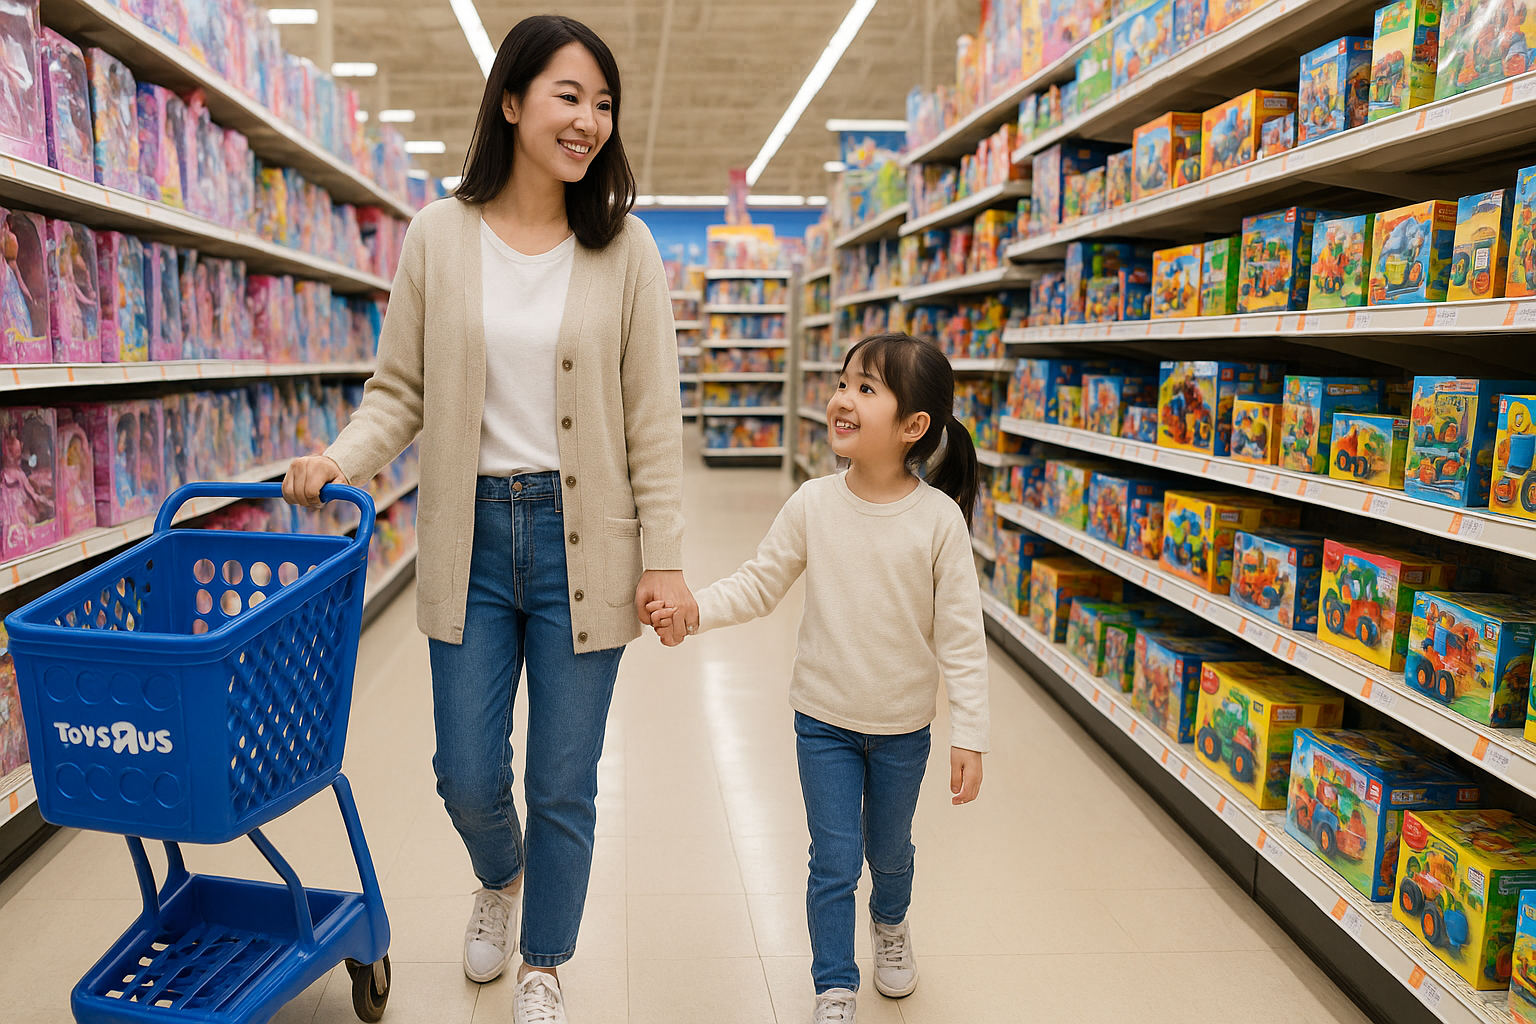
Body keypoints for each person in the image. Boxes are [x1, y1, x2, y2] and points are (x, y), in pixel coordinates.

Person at [281, 15, 697, 1024]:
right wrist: (338, 455)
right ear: (510, 101)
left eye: (603, 104)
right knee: (465, 772)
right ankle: (498, 876)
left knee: (564, 778)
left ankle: (545, 962)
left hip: (585, 545)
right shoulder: (437, 234)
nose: (589, 120)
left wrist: (668, 559)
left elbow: (652, 417)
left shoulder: (627, 247)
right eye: (568, 95)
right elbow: (400, 392)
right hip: (469, 537)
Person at [650, 333, 990, 1023]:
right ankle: (834, 982)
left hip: (902, 730)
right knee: (832, 858)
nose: (842, 398)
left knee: (889, 853)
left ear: (913, 427)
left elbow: (962, 638)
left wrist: (971, 734)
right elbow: (759, 583)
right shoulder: (813, 503)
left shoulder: (939, 523)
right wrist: (695, 612)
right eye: (843, 382)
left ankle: (890, 927)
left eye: (867, 389)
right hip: (823, 722)